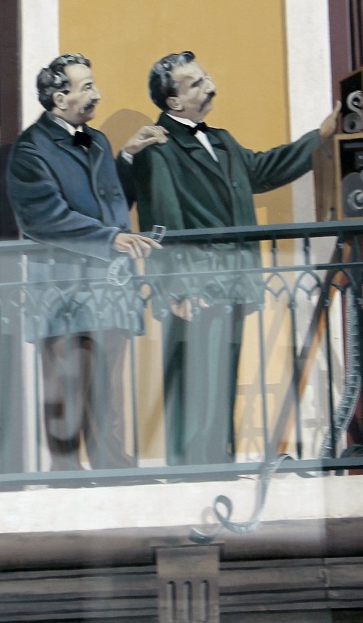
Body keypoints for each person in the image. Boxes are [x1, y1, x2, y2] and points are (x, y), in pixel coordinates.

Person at [132, 51, 338, 466]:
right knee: (197, 388)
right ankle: (194, 475)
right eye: (196, 83)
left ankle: (219, 468)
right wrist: (178, 288)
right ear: (173, 102)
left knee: (223, 382)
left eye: (206, 77)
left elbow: (263, 170)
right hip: (197, 288)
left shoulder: (222, 141)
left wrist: (320, 136)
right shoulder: (158, 149)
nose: (210, 86)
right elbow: (162, 221)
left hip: (235, 281)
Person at [6, 53, 167, 471]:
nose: (98, 95)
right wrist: (111, 238)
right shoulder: (30, 148)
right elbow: (44, 219)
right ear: (60, 99)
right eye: (88, 87)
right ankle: (65, 477)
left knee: (108, 387)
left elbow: (111, 205)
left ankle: (113, 466)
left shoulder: (97, 141)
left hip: (108, 290)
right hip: (62, 292)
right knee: (66, 389)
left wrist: (127, 157)